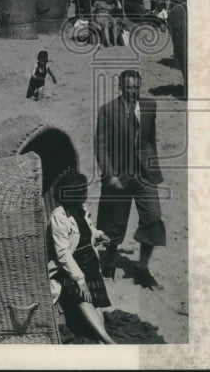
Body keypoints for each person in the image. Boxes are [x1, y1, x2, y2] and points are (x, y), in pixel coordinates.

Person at [95, 70, 165, 289]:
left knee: (153, 218)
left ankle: (143, 269)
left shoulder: (149, 107)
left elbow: (150, 139)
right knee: (114, 225)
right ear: (120, 87)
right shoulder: (107, 111)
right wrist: (109, 175)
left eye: (136, 88)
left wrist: (151, 165)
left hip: (144, 175)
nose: (133, 92)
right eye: (129, 88)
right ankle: (110, 258)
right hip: (119, 174)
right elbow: (101, 146)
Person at [47, 172, 116, 344]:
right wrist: (80, 280)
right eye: (82, 191)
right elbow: (62, 252)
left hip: (90, 261)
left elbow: (88, 231)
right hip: (71, 266)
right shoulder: (59, 216)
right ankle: (108, 341)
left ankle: (101, 340)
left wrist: (100, 235)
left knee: (97, 300)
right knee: (83, 296)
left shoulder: (82, 209)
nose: (85, 193)